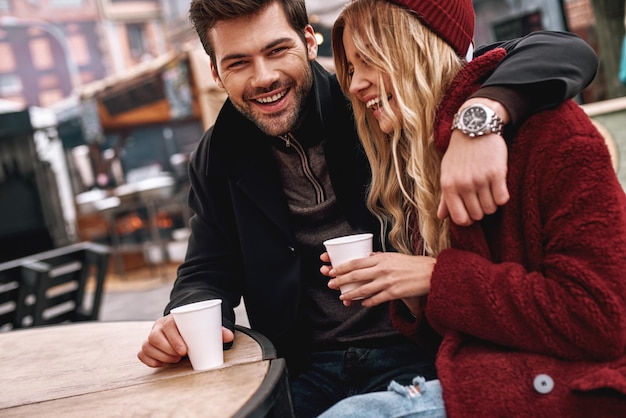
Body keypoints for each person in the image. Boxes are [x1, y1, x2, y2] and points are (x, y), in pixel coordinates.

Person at [136, 0, 599, 416]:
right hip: (304, 366)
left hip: (420, 346)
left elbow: (559, 51)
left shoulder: (373, 99)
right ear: (217, 74)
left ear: (309, 40)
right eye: (238, 63)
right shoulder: (216, 157)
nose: (263, 77)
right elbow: (206, 267)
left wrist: (480, 118)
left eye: (277, 50)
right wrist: (185, 316)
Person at [319, 0, 626, 416]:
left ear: (417, 48)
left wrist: (434, 277)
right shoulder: (417, 162)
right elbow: (467, 337)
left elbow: (600, 321)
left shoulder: (552, 132)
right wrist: (411, 298)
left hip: (583, 389)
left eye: (369, 60)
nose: (354, 85)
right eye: (351, 68)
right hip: (493, 378)